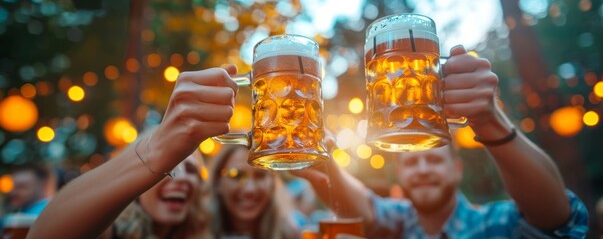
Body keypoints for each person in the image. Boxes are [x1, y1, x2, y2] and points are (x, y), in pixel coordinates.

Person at [294, 46, 589, 238]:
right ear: (399, 172)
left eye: (434, 159)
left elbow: (558, 220)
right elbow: (368, 210)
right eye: (411, 161)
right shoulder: (401, 222)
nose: (422, 168)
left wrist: (488, 119)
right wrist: (324, 161)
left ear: (457, 169)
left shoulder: (493, 224)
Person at [27, 65, 239, 239]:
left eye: (191, 170)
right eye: (169, 169)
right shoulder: (111, 231)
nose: (182, 178)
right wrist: (156, 152)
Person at [206, 144, 299, 239]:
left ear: (272, 182)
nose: (250, 189)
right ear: (218, 182)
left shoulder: (294, 233)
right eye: (237, 175)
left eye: (260, 175)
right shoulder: (194, 232)